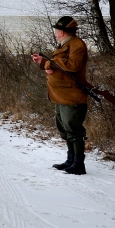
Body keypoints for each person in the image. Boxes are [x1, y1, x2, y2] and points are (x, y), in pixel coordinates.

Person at [31, 16, 89, 175]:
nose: (55, 32)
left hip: (71, 95)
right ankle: (71, 160)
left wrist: (49, 63)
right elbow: (59, 66)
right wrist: (43, 62)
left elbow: (73, 66)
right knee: (64, 128)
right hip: (60, 94)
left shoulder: (77, 45)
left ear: (62, 32)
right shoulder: (66, 44)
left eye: (56, 29)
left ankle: (78, 165)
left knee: (73, 128)